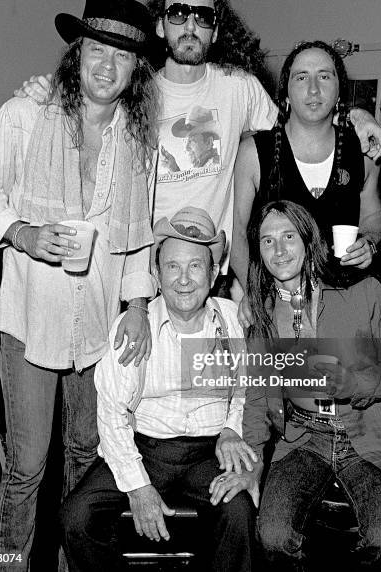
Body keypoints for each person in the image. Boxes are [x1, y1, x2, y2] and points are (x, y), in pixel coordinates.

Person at [15, 0, 381, 275]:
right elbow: (92, 84)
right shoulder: (133, 90)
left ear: (215, 30)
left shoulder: (239, 87)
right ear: (160, 26)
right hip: (145, 271)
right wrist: (47, 88)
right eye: (178, 13)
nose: (190, 25)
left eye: (203, 17)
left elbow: (302, 121)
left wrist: (355, 116)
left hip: (215, 271)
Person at [0, 0, 158, 570]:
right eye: (97, 48)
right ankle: (3, 565)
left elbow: (140, 240)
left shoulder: (137, 143)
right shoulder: (23, 115)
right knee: (26, 467)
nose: (106, 65)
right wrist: (21, 234)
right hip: (29, 321)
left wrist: (140, 306)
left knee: (84, 456)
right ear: (77, 54)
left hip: (98, 330)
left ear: (136, 70)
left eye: (121, 56)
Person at [211, 200, 381, 571]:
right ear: (257, 252)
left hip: (365, 431)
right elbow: (258, 400)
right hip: (305, 437)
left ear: (309, 241)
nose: (279, 250)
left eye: (289, 236)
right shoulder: (262, 314)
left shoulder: (364, 291)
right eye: (267, 241)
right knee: (272, 536)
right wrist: (252, 464)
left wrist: (355, 381)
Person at [59, 206, 258, 572]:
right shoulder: (135, 326)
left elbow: (249, 388)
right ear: (156, 272)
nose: (184, 279)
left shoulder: (233, 321)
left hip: (209, 452)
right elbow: (112, 412)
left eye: (196, 266)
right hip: (145, 448)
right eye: (173, 266)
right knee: (76, 516)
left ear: (214, 273)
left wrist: (232, 427)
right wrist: (137, 487)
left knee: (240, 510)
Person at [232, 41, 381, 326]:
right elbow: (237, 233)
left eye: (325, 76)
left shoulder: (363, 151)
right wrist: (253, 293)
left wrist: (370, 243)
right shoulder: (254, 153)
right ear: (286, 92)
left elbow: (373, 215)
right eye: (301, 77)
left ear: (339, 90)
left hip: (345, 301)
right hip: (276, 301)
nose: (313, 89)